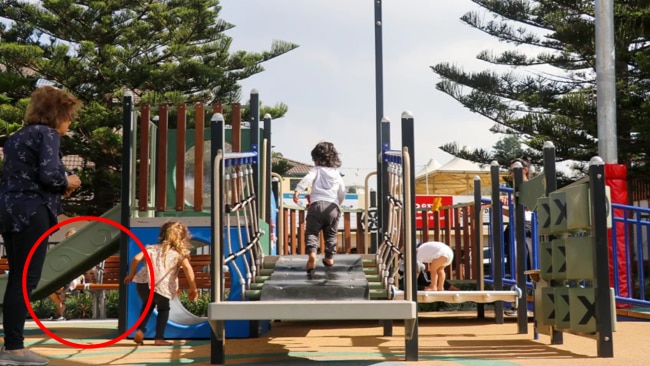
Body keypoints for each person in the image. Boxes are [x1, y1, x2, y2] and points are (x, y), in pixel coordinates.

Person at [0, 86, 82, 366]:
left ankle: (13, 345)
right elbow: (49, 175)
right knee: (26, 280)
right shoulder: (47, 134)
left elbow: (29, 174)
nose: (69, 122)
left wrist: (60, 182)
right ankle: (14, 348)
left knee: (17, 278)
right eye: (69, 116)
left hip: (9, 211)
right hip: (33, 212)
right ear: (57, 114)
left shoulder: (16, 138)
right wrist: (67, 182)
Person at [124, 221, 199, 346]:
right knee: (164, 309)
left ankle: (140, 330)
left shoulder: (151, 249)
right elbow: (187, 268)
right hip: (161, 286)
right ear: (182, 238)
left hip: (143, 284)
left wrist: (131, 274)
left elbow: (136, 258)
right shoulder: (180, 254)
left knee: (147, 305)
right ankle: (159, 338)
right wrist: (193, 288)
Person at [292, 142, 346, 272]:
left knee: (312, 233)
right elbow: (342, 190)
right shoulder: (336, 173)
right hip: (332, 207)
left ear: (317, 160)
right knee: (331, 234)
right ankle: (329, 258)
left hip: (316, 206)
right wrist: (338, 203)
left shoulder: (316, 170)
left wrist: (298, 190)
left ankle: (312, 254)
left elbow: (307, 179)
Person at [47, 229, 83, 321]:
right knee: (49, 290)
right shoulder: (63, 250)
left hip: (74, 277)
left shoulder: (79, 250)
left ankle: (59, 312)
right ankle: (60, 310)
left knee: (60, 289)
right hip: (62, 276)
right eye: (67, 238)